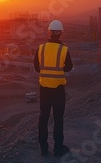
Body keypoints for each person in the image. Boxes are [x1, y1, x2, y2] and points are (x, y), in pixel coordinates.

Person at [34, 20, 73, 157]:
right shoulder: (64, 50)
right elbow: (68, 67)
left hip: (44, 89)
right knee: (58, 119)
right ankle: (58, 148)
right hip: (58, 90)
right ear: (60, 33)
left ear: (49, 32)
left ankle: (43, 148)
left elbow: (36, 68)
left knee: (43, 118)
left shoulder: (41, 48)